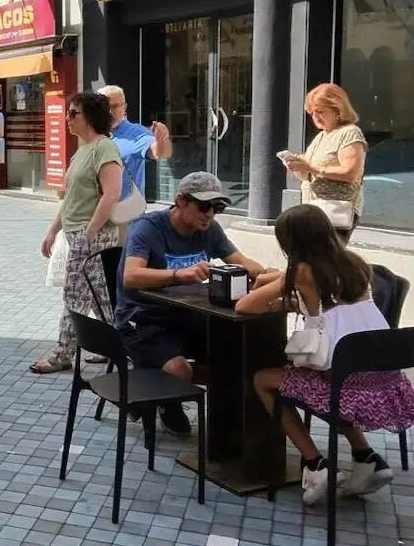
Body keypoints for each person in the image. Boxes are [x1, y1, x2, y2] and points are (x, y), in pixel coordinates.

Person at [238, 204, 414, 505]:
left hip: (344, 386)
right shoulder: (355, 262)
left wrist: (276, 299)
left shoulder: (303, 271)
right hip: (383, 379)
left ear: (292, 242)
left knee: (263, 379)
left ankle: (316, 464)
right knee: (337, 375)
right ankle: (365, 456)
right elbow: (334, 305)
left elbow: (245, 306)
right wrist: (287, 292)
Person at [116, 172, 266, 435]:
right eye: (204, 206)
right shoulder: (147, 227)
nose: (210, 214)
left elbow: (242, 261)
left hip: (189, 315)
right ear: (181, 201)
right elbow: (131, 276)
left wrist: (269, 276)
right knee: (179, 370)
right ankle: (164, 400)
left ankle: (228, 425)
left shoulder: (210, 231)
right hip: (142, 318)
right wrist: (177, 275)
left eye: (217, 208)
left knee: (238, 353)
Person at [33, 91, 124, 375]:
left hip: (93, 237)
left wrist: (88, 233)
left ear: (90, 117)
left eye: (74, 113)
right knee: (102, 298)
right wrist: (52, 231)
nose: (67, 119)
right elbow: (70, 198)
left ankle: (63, 353)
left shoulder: (104, 147)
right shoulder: (82, 150)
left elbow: (111, 195)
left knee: (74, 297)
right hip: (78, 234)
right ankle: (119, 347)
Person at [282, 83, 369, 242]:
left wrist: (312, 167)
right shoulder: (322, 136)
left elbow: (349, 173)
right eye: (312, 113)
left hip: (335, 210)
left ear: (338, 110)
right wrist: (297, 166)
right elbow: (308, 175)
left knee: (326, 260)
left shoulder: (349, 133)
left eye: (320, 112)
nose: (316, 117)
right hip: (315, 209)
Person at [98, 85, 172, 202]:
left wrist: (162, 139)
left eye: (115, 106)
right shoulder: (93, 133)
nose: (110, 112)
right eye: (105, 107)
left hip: (125, 214)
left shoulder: (136, 133)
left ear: (124, 107)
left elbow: (160, 153)